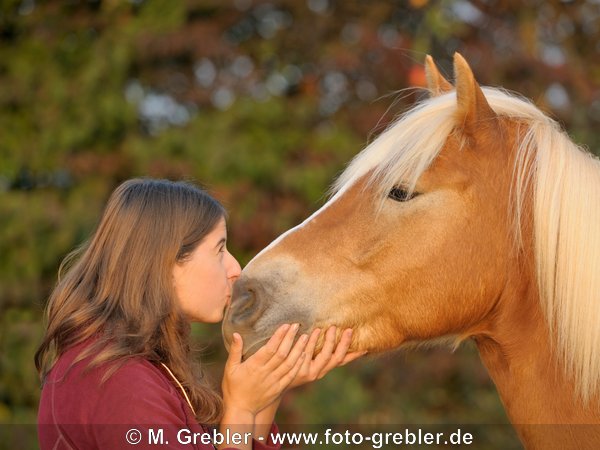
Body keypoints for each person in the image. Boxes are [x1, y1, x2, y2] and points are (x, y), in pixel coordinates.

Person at [35, 178, 365, 450]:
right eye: (219, 249)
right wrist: (240, 408)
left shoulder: (134, 368)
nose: (235, 269)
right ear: (164, 262)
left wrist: (268, 391)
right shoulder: (117, 380)